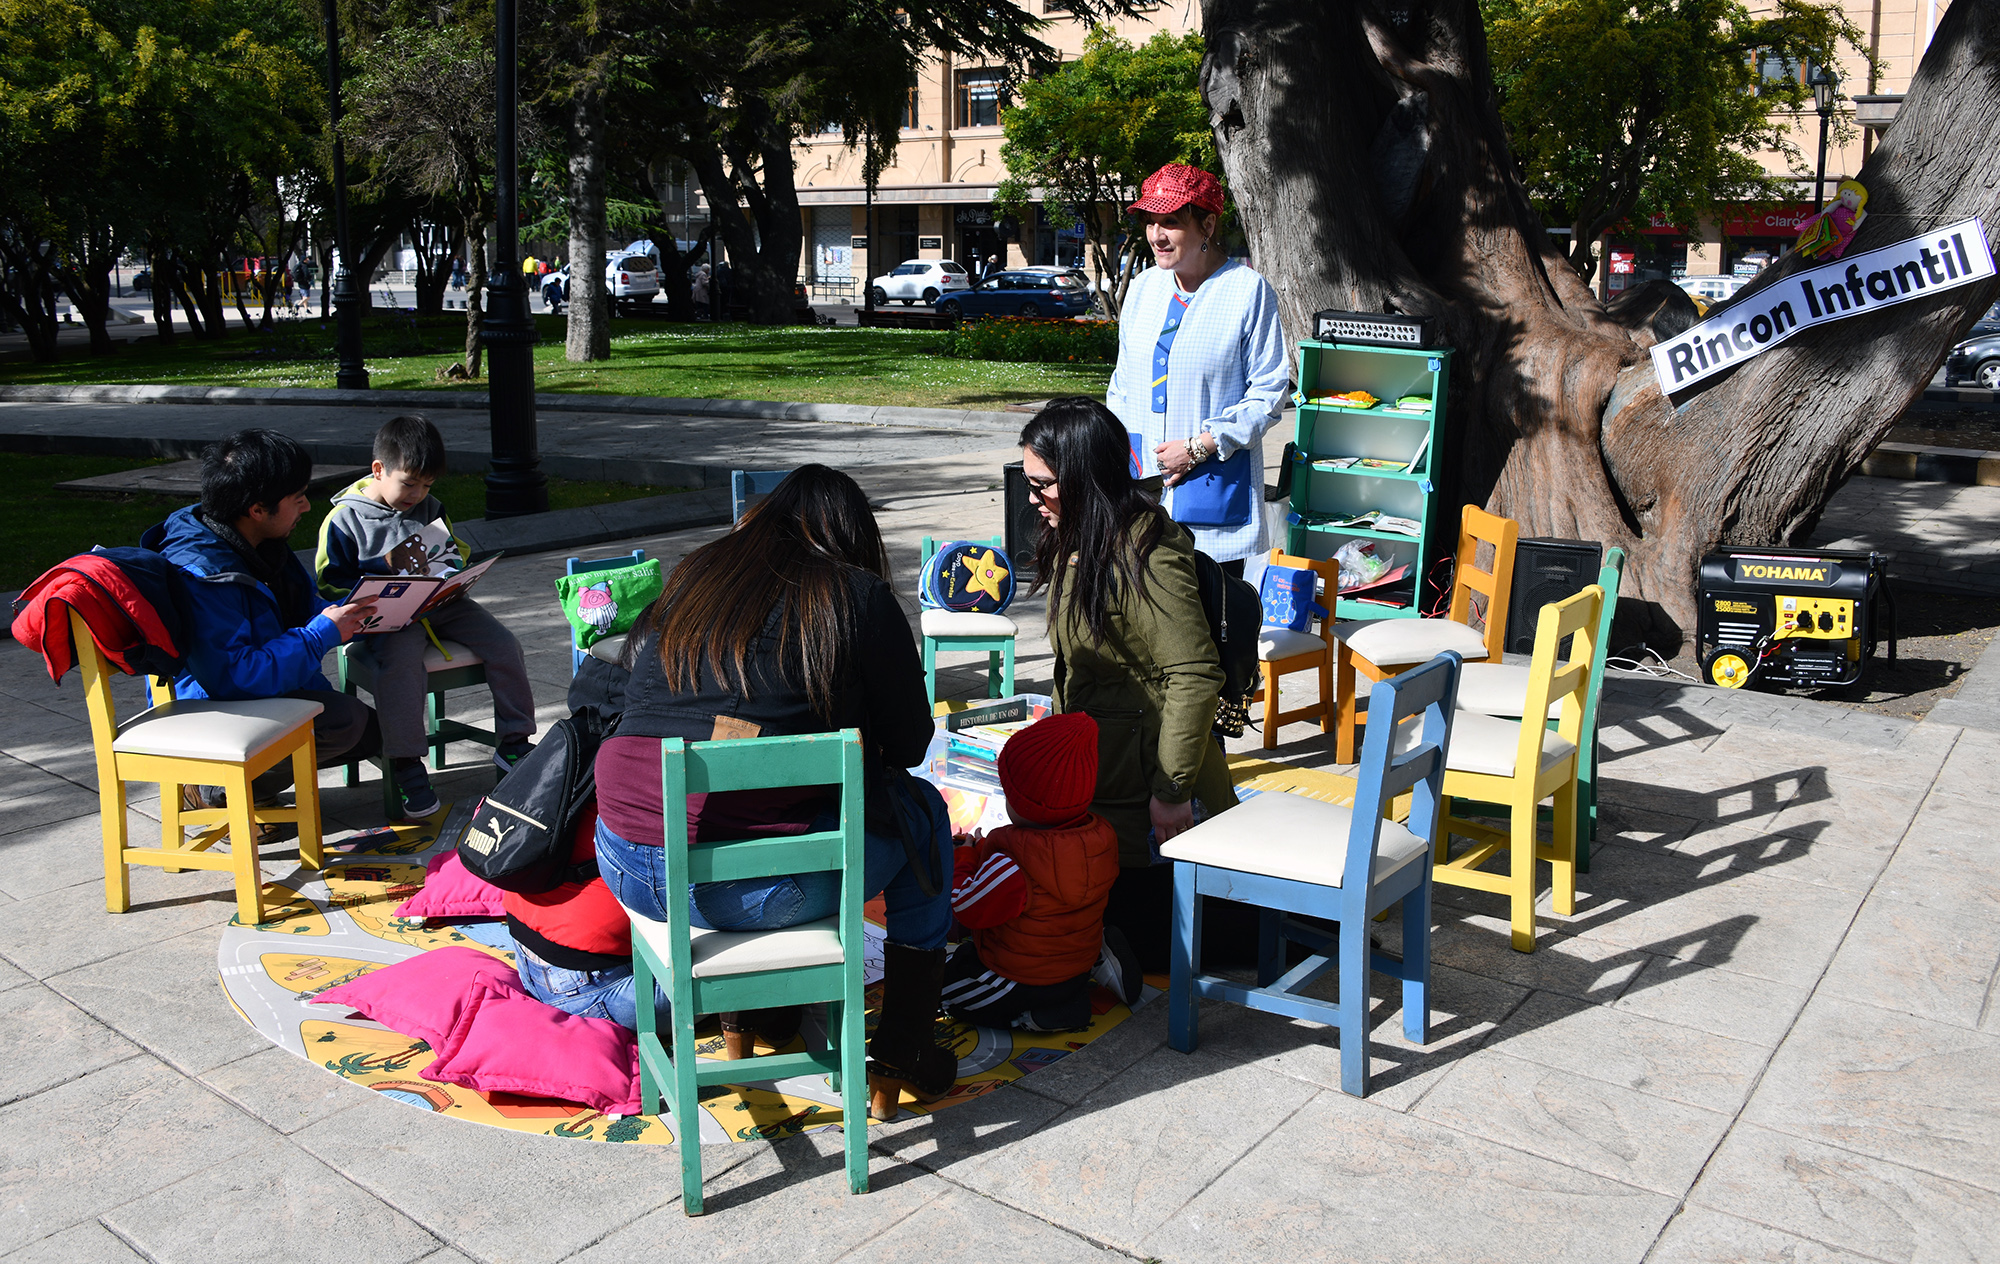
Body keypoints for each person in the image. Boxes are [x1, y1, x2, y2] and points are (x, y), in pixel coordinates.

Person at [593, 464, 959, 1120]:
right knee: (923, 813)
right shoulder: (858, 596)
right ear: (851, 538)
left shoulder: (692, 578)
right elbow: (908, 747)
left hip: (624, 861)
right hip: (748, 895)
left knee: (757, 812)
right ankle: (904, 1047)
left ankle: (748, 1014)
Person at [1019, 397, 1238, 970]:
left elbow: (1193, 674)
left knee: (1117, 941)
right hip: (1110, 776)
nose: (1034, 500)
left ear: (1085, 478)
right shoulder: (1085, 532)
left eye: (1043, 485)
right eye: (1029, 484)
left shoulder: (1146, 552)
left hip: (1150, 792)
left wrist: (1170, 794)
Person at [142, 429, 382, 818]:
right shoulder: (202, 575)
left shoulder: (261, 543)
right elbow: (233, 675)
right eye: (298, 497)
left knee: (371, 733)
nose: (306, 507)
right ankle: (212, 788)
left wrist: (359, 608)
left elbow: (304, 609)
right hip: (213, 709)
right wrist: (322, 634)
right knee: (344, 722)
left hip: (260, 691)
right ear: (256, 508)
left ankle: (247, 782)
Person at [314, 415, 537, 819]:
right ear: (378, 470)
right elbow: (329, 583)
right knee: (401, 665)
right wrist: (381, 568)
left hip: (441, 605)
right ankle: (406, 762)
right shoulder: (344, 519)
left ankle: (514, 741)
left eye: (427, 485)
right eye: (409, 483)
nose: (418, 494)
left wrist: (453, 573)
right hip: (387, 618)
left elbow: (455, 549)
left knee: (504, 645)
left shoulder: (431, 506)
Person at [1106, 163, 1288, 576]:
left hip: (1213, 492)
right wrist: (1118, 453)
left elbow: (1270, 391)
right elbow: (1121, 386)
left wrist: (1201, 445)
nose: (1156, 234)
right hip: (1140, 495)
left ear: (1207, 224)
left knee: (1211, 628)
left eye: (1170, 221)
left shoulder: (1246, 290)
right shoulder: (1142, 288)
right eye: (1151, 221)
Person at [942, 711, 1142, 1032]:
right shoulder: (1100, 837)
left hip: (1025, 978)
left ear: (1026, 805)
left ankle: (1041, 1016)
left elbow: (965, 908)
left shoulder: (1013, 865)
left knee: (945, 992)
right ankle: (1098, 958)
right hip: (1075, 960)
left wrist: (964, 859)